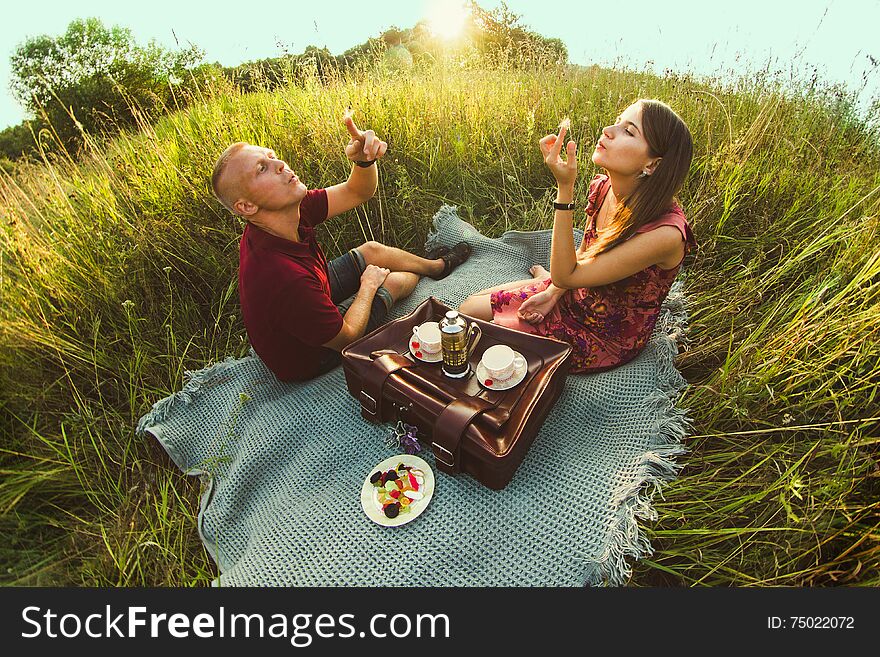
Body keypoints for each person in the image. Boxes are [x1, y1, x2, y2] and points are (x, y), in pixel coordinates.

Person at [211, 115, 471, 382]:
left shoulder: (285, 211)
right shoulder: (281, 277)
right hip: (310, 355)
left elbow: (357, 192)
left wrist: (364, 161)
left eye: (272, 156)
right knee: (395, 280)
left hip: (311, 295)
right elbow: (347, 336)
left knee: (371, 250)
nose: (280, 164)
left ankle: (437, 267)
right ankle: (412, 274)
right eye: (262, 168)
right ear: (246, 207)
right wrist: (368, 286)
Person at [459, 99, 696, 373]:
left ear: (653, 165)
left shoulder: (665, 235)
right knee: (468, 307)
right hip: (576, 290)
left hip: (601, 334)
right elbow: (585, 253)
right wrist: (553, 291)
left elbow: (567, 274)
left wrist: (565, 187)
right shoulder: (604, 187)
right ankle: (543, 280)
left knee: (477, 334)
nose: (608, 130)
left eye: (628, 131)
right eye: (617, 121)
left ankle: (545, 281)